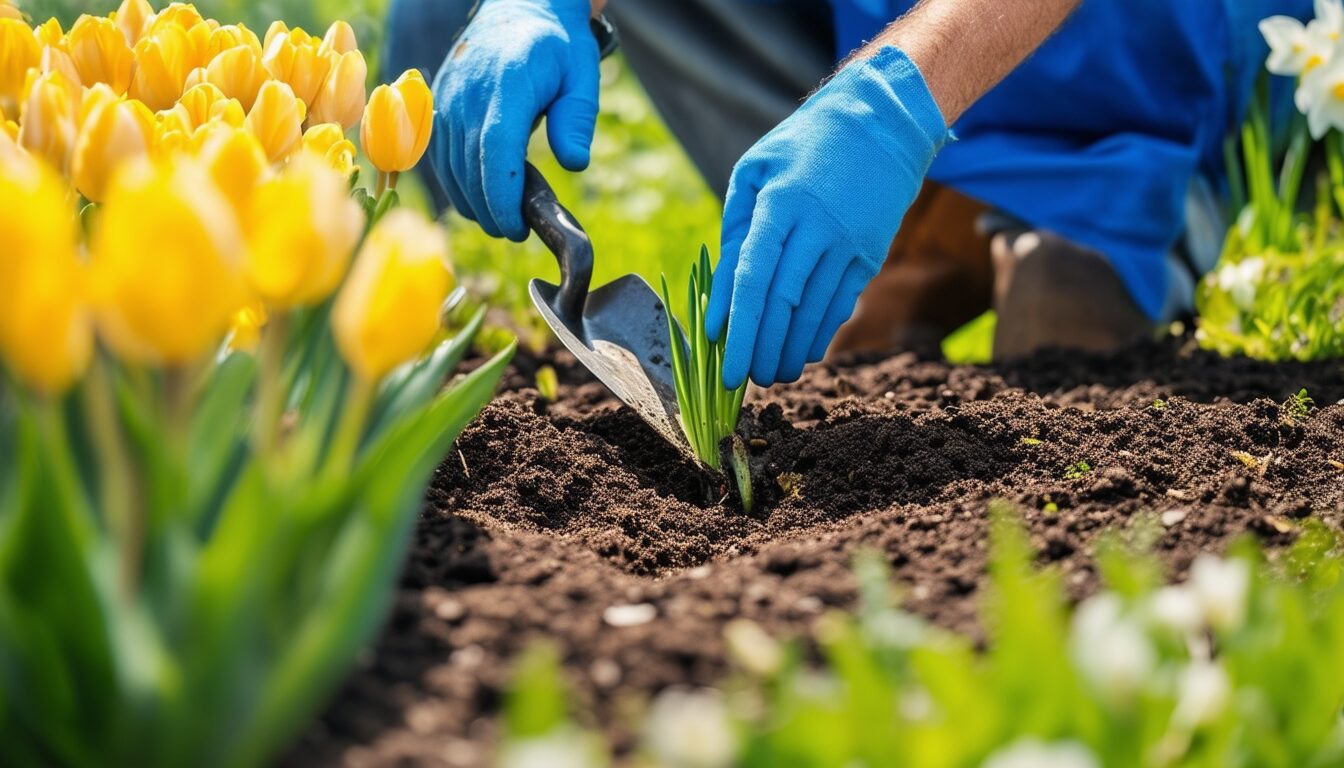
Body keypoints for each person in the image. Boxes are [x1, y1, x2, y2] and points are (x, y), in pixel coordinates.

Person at [385, 0, 1310, 388]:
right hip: (870, 23)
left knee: (1064, 339)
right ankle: (931, 222)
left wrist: (889, 109)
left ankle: (1108, 195)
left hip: (1126, 49)